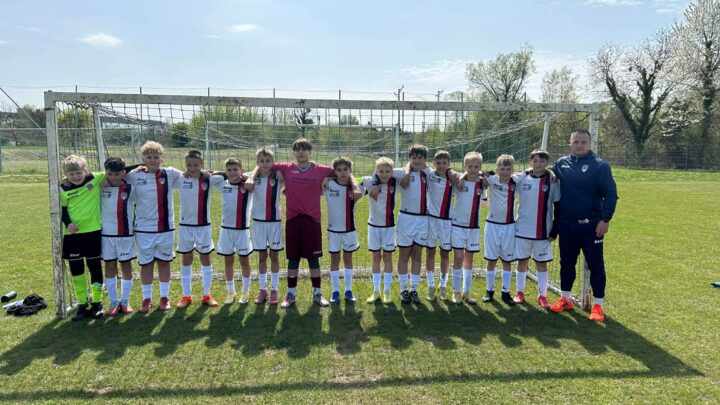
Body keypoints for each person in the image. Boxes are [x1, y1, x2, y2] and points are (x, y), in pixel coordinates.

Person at [245, 138, 361, 308]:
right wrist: (251, 178)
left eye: (304, 149)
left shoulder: (321, 170)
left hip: (312, 221)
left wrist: (355, 187)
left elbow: (346, 173)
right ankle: (290, 294)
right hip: (292, 220)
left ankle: (317, 293)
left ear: (310, 151)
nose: (301, 152)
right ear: (293, 152)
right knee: (293, 260)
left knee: (314, 260)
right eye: (297, 149)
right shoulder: (286, 168)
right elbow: (261, 165)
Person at [549, 129, 618, 322]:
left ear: (589, 144)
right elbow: (547, 173)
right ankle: (566, 299)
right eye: (576, 142)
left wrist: (605, 219)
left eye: (583, 142)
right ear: (570, 143)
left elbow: (611, 194)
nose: (579, 145)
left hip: (592, 226)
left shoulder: (600, 166)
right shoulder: (561, 163)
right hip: (567, 225)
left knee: (596, 265)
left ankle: (598, 306)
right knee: (566, 263)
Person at [126, 141, 184, 313]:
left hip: (165, 228)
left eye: (155, 157)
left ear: (161, 159)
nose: (152, 160)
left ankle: (164, 297)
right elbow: (113, 172)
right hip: (143, 229)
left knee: (164, 263)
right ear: (143, 159)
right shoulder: (134, 175)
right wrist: (136, 166)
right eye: (148, 157)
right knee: (146, 264)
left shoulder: (170, 173)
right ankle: (147, 298)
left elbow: (192, 173)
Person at [175, 150, 225, 309]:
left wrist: (210, 171)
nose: (192, 168)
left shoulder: (209, 179)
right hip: (185, 227)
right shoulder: (180, 178)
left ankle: (206, 295)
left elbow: (229, 175)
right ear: (185, 165)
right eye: (189, 165)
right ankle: (186, 295)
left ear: (202, 164)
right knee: (186, 259)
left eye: (196, 165)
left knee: (205, 259)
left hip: (204, 227)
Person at [513, 149, 561, 309]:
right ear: (530, 162)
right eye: (535, 161)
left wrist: (555, 229)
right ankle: (519, 292)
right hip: (522, 229)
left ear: (547, 163)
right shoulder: (522, 179)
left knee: (541, 263)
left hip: (543, 231)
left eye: (542, 161)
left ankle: (542, 296)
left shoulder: (553, 181)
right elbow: (507, 182)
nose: (538, 164)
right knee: (522, 261)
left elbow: (557, 206)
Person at [60, 155, 106, 320]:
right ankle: (82, 304)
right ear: (66, 175)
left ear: (85, 170)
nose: (75, 177)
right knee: (77, 270)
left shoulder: (94, 179)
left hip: (93, 232)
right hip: (73, 236)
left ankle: (97, 303)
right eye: (71, 174)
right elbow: (62, 210)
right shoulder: (63, 189)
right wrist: (68, 224)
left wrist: (141, 166)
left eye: (78, 173)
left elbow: (115, 170)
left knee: (95, 268)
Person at [362, 157, 405, 304]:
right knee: (376, 258)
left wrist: (380, 176)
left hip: (389, 227)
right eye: (381, 171)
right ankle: (376, 291)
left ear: (392, 171)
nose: (384, 174)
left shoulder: (396, 181)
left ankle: (387, 291)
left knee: (388, 258)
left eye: (387, 171)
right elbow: (353, 180)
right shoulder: (369, 181)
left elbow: (405, 170)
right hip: (373, 226)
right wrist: (374, 181)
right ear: (376, 171)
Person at [214, 158, 254, 305]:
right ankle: (230, 291)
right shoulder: (223, 184)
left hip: (243, 230)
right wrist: (222, 173)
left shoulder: (248, 184)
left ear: (241, 170)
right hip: (226, 230)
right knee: (228, 261)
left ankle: (245, 291)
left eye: (235, 169)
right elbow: (209, 174)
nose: (232, 173)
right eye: (229, 170)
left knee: (244, 261)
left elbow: (258, 171)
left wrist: (248, 177)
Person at [100, 156, 137, 316]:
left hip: (125, 235)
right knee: (109, 267)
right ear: (106, 173)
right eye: (110, 174)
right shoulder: (100, 186)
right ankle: (114, 302)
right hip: (106, 235)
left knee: (126, 266)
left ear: (123, 173)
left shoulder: (130, 188)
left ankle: (125, 301)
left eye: (117, 174)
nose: (113, 177)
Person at [482, 154, 518, 306]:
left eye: (508, 169)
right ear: (497, 170)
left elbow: (532, 172)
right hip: (492, 226)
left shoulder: (517, 181)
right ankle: (489, 291)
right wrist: (485, 175)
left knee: (507, 261)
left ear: (512, 170)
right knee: (491, 260)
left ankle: (506, 292)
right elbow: (476, 174)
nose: (505, 172)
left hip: (509, 226)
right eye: (502, 169)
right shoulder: (492, 179)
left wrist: (549, 172)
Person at [324, 157, 361, 304]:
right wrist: (327, 178)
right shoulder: (328, 184)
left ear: (350, 171)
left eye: (346, 169)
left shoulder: (357, 187)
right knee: (334, 260)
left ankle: (348, 290)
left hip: (350, 230)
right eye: (339, 170)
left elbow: (368, 181)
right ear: (334, 171)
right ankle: (335, 291)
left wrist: (355, 184)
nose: (342, 172)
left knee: (348, 259)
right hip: (333, 231)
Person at [450, 152, 486, 305]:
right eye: (469, 166)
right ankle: (456, 291)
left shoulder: (482, 184)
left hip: (473, 227)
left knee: (469, 259)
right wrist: (462, 177)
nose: (473, 169)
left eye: (476, 167)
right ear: (465, 167)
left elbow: (485, 198)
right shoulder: (459, 181)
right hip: (458, 225)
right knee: (458, 258)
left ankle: (467, 291)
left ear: (480, 167)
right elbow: (449, 172)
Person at [250, 148, 284, 305]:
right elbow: (231, 174)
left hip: (274, 222)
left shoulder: (279, 176)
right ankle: (263, 290)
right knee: (262, 257)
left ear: (273, 162)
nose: (265, 164)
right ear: (257, 163)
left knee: (274, 256)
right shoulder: (251, 177)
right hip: (258, 223)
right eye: (262, 161)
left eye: (268, 161)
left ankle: (275, 290)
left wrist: (279, 170)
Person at [425, 150, 455, 301]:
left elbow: (471, 175)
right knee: (430, 252)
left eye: (444, 163)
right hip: (431, 220)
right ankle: (430, 285)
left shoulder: (453, 178)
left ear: (449, 164)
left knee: (445, 253)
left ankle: (443, 284)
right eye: (438, 163)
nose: (441, 166)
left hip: (446, 222)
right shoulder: (429, 175)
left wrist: (452, 172)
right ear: (433, 163)